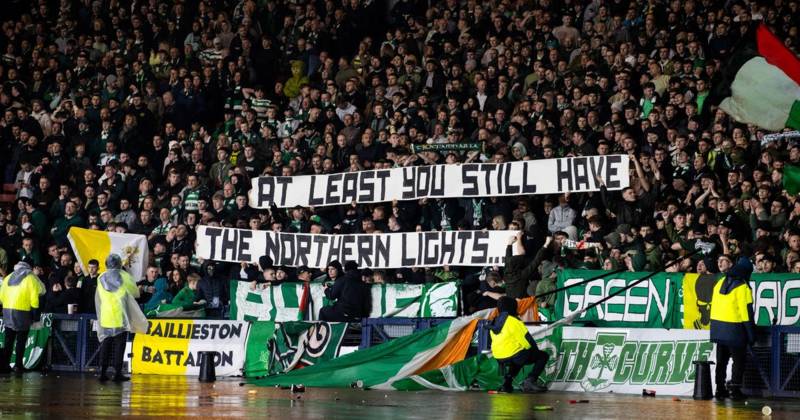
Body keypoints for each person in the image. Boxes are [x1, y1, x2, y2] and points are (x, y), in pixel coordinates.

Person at [94, 254, 147, 382]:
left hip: (106, 316)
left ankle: (102, 371)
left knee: (105, 344)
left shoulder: (100, 277)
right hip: (120, 316)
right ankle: (117, 373)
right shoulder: (124, 276)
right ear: (119, 264)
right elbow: (135, 293)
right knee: (119, 345)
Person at [710, 256, 756, 400]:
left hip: (718, 328)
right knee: (739, 360)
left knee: (721, 361)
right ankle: (735, 390)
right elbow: (746, 314)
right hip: (734, 330)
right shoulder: (743, 287)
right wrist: (751, 334)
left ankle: (719, 389)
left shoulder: (719, 283)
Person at [490, 297, 549, 393]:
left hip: (498, 356)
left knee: (518, 356)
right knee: (542, 356)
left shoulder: (494, 321)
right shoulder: (514, 321)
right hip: (513, 354)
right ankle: (530, 381)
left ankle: (506, 384)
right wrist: (535, 351)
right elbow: (527, 340)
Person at [0, 261, 45, 375]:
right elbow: (35, 297)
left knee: (8, 340)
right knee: (21, 340)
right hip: (22, 312)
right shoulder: (30, 278)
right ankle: (18, 365)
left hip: (7, 310)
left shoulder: (8, 277)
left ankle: (4, 365)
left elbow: (1, 296)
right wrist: (35, 315)